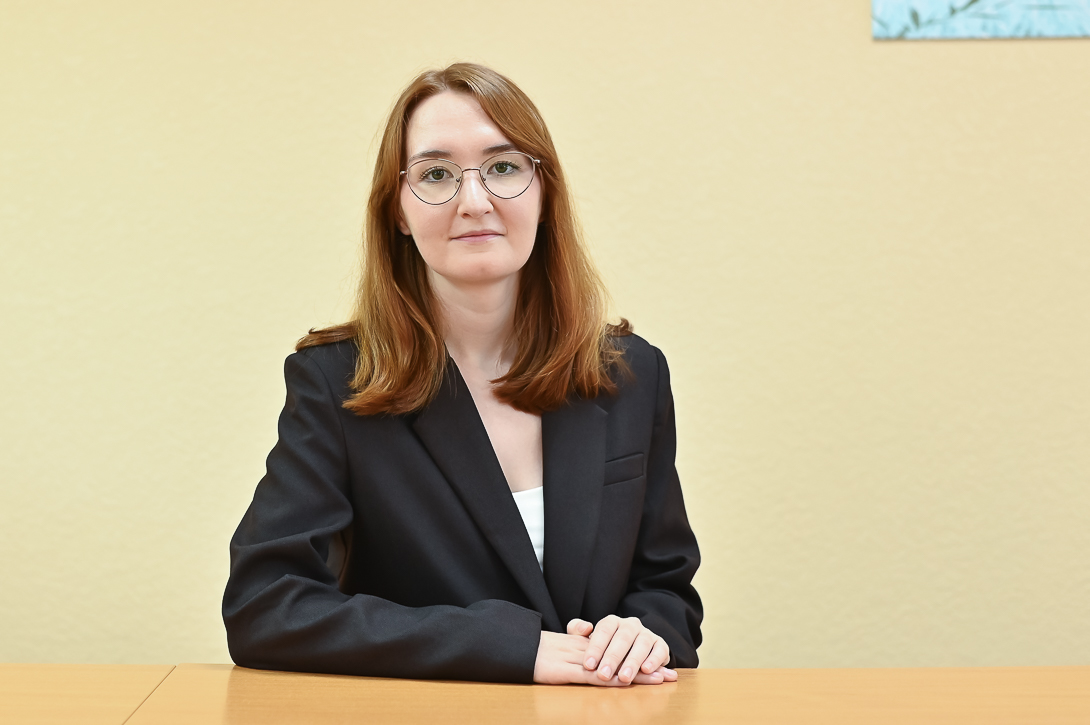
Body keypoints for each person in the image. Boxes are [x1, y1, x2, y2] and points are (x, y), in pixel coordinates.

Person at [222, 63, 701, 686]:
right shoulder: (337, 381)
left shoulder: (632, 372)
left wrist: (641, 635)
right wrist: (509, 648)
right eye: (436, 175)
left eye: (503, 167)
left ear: (544, 194)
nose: (474, 202)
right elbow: (266, 607)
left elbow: (666, 593)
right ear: (398, 211)